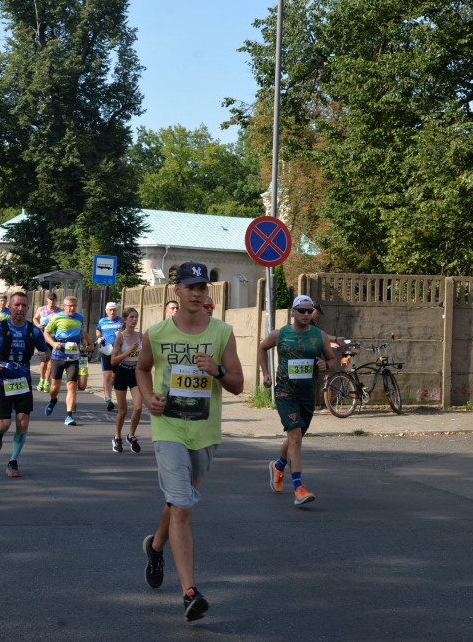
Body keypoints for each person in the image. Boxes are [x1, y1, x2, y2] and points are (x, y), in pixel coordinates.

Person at [136, 261, 244, 622]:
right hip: (168, 428)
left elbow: (239, 384)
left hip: (205, 432)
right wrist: (149, 397)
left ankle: (155, 547)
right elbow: (141, 368)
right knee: (182, 506)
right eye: (191, 287)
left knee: (177, 500)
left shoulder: (221, 333)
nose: (198, 293)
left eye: (203, 287)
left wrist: (219, 371)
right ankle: (190, 593)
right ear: (177, 291)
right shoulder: (157, 333)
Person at [258, 294, 336, 506]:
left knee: (296, 437)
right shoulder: (280, 334)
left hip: (307, 394)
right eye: (301, 310)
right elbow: (262, 348)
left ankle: (279, 466)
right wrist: (266, 373)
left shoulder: (319, 336)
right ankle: (299, 488)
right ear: (292, 312)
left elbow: (331, 359)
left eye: (309, 311)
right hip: (285, 393)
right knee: (296, 439)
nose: (305, 314)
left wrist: (325, 365)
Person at [0, 292, 50, 478]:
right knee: (4, 424)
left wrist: (45, 355)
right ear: (9, 307)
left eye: (24, 306)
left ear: (28, 308)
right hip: (2, 381)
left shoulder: (34, 331)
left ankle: (13, 461)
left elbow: (46, 352)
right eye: (17, 305)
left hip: (23, 381)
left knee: (23, 422)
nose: (20, 309)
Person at [43, 296, 92, 426]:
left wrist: (84, 340)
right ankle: (53, 400)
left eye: (74, 306)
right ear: (64, 306)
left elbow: (80, 331)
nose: (72, 308)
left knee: (72, 385)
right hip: (58, 355)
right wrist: (53, 344)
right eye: (69, 306)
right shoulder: (56, 317)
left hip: (74, 356)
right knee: (55, 387)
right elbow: (46, 333)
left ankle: (69, 416)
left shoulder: (79, 318)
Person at [110, 307, 143, 453]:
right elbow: (113, 361)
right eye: (131, 317)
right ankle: (117, 437)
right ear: (125, 320)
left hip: (136, 373)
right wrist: (129, 351)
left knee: (138, 407)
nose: (134, 320)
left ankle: (131, 435)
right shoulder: (120, 337)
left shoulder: (140, 336)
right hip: (122, 372)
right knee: (123, 410)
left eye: (136, 317)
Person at [95, 301, 123, 411]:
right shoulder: (102, 321)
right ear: (106, 311)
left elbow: (126, 331)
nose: (112, 311)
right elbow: (98, 329)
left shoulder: (120, 320)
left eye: (114, 309)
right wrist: (99, 337)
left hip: (118, 351)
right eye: (110, 310)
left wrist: (120, 334)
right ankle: (108, 399)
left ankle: (109, 394)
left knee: (114, 377)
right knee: (107, 375)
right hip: (106, 349)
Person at [33, 292, 60, 392]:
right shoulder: (41, 309)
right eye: (50, 299)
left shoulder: (59, 311)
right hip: (42, 339)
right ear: (47, 300)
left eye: (54, 299)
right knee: (43, 361)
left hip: (53, 339)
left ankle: (46, 382)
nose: (52, 301)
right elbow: (35, 318)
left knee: (51, 361)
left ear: (56, 300)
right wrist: (37, 325)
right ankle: (41, 379)